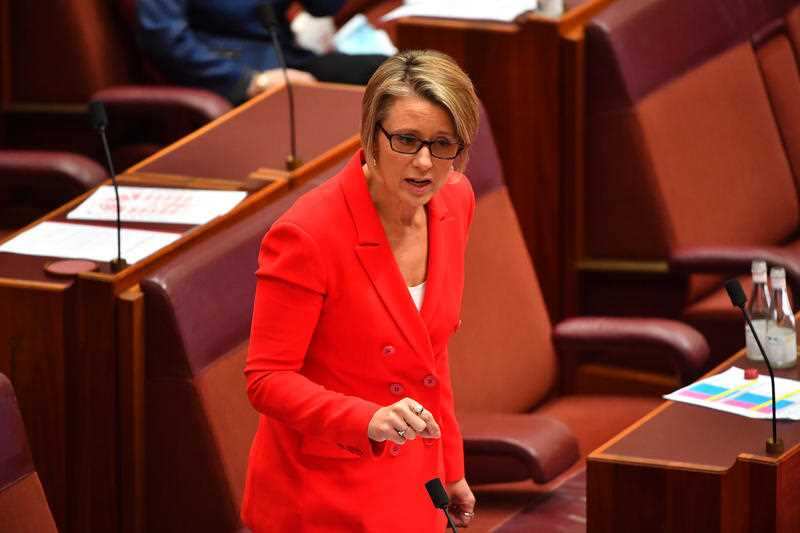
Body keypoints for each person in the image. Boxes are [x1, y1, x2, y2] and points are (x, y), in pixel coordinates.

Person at [242, 50, 479, 531]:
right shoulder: (308, 234)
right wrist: (363, 418)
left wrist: (450, 467)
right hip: (323, 488)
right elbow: (266, 379)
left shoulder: (454, 201)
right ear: (371, 135)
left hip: (413, 479)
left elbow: (431, 357)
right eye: (406, 140)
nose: (424, 163)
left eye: (443, 144)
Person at [136, 0, 388, 104]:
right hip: (229, 75)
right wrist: (252, 82)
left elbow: (323, 7)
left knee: (391, 74)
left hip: (288, 59)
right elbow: (165, 40)